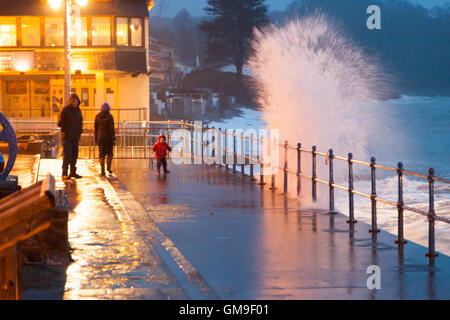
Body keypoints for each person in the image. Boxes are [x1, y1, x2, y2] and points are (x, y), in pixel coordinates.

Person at [58, 93, 83, 179]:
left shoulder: (78, 111)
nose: (75, 103)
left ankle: (73, 172)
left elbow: (80, 123)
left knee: (74, 155)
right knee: (67, 155)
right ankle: (64, 173)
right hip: (67, 138)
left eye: (77, 101)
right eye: (74, 101)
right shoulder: (65, 110)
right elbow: (60, 123)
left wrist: (79, 133)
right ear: (71, 101)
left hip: (75, 138)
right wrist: (66, 131)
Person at [94, 102, 115, 176]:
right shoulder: (110, 116)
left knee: (101, 154)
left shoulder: (97, 116)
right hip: (108, 137)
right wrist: (113, 137)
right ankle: (108, 168)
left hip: (100, 137)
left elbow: (95, 128)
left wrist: (96, 138)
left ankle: (102, 170)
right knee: (110, 153)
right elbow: (111, 128)